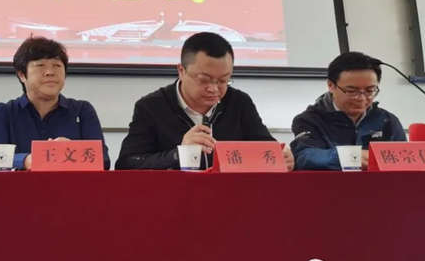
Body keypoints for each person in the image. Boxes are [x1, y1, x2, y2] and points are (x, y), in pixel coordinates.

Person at [116, 32, 294, 170]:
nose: (214, 89)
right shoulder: (151, 107)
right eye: (204, 80)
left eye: (223, 80)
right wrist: (179, 154)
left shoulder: (239, 103)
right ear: (181, 71)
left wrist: (282, 156)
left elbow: (266, 147)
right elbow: (127, 163)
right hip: (174, 198)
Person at [0, 37, 110, 170]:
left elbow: (103, 160)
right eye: (40, 66)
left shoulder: (82, 111)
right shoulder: (4, 113)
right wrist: (26, 161)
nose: (50, 72)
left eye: (57, 66)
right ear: (22, 75)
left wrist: (73, 151)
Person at [290, 51, 406, 170]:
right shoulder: (309, 120)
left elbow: (405, 159)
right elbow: (305, 156)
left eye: (370, 91)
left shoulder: (387, 120)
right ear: (331, 85)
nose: (361, 98)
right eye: (351, 91)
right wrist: (350, 157)